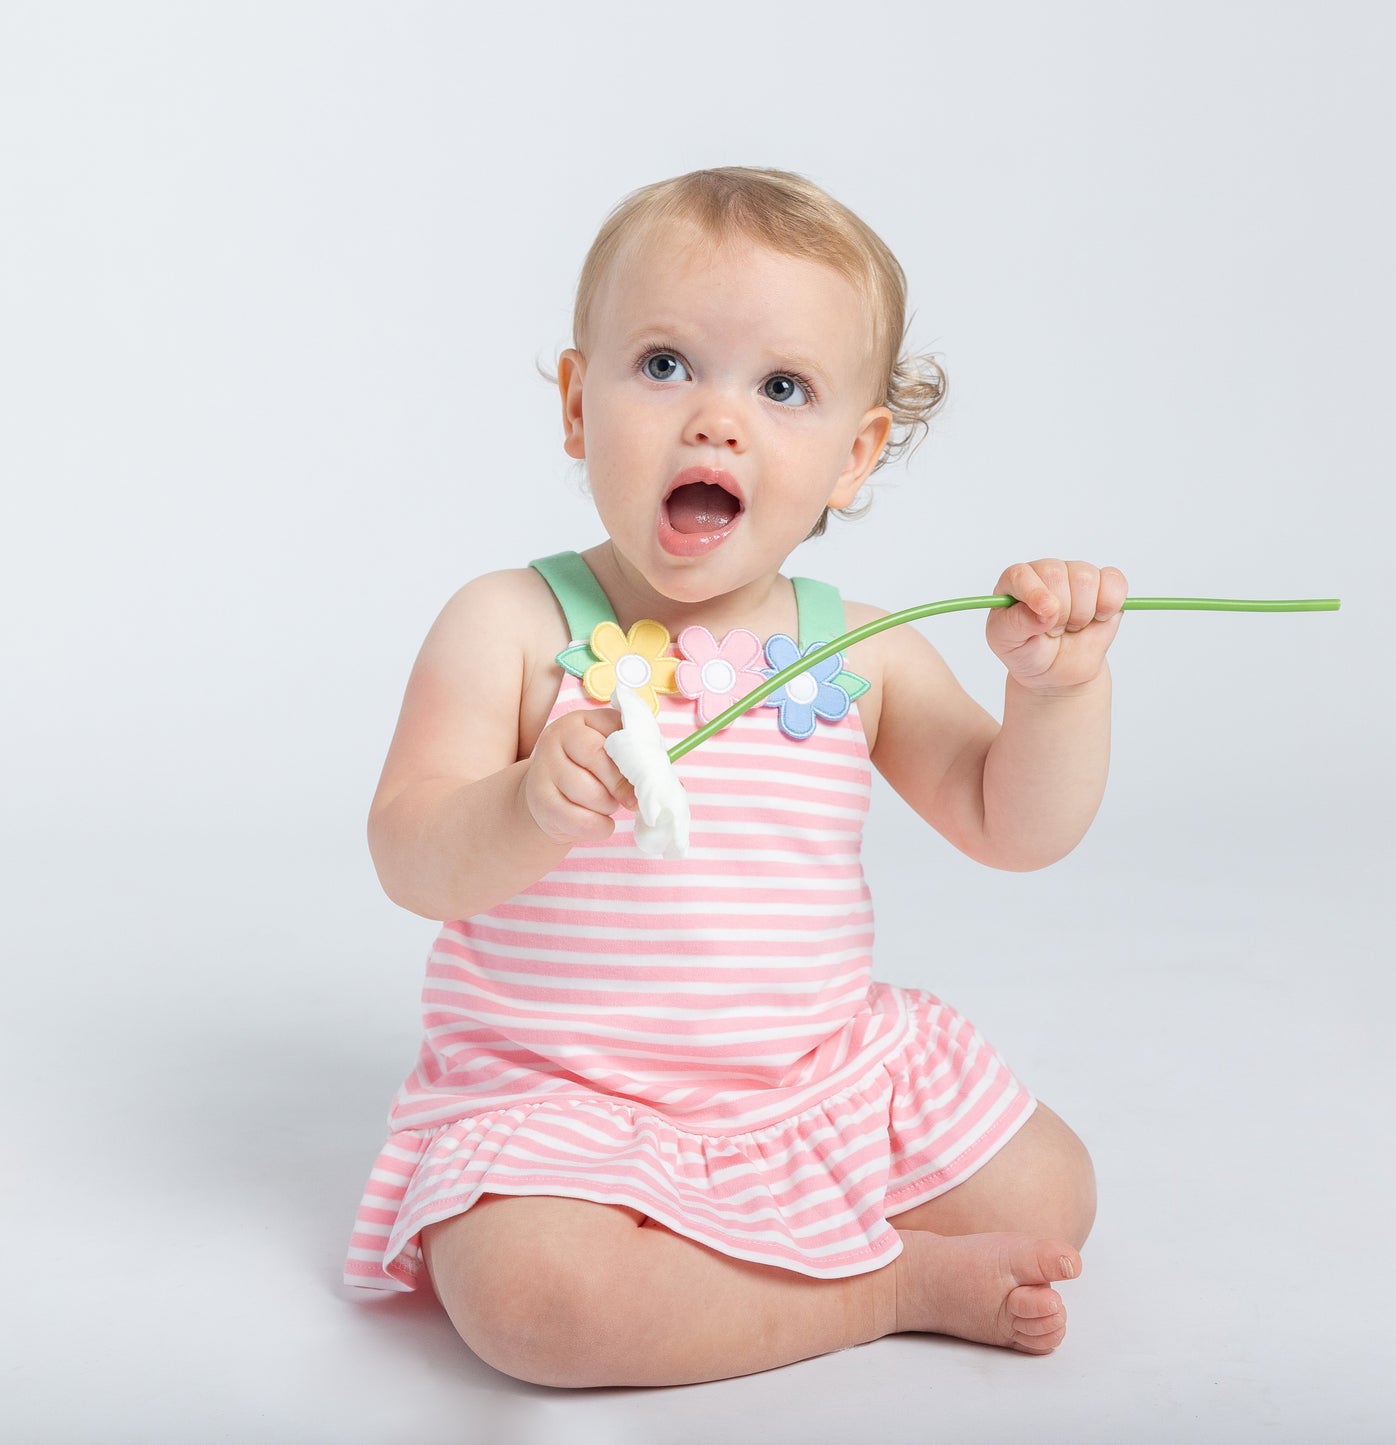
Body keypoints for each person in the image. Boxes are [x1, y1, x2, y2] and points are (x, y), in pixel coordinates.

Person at [344, 167, 1126, 1388]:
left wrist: (1057, 691)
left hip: (808, 1078)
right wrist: (521, 804)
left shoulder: (857, 650)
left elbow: (1010, 821)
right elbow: (406, 848)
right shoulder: (502, 623)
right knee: (538, 1301)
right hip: (563, 1100)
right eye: (663, 365)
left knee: (1051, 1189)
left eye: (781, 386)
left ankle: (748, 1260)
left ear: (853, 454)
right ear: (573, 402)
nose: (715, 419)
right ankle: (888, 1286)